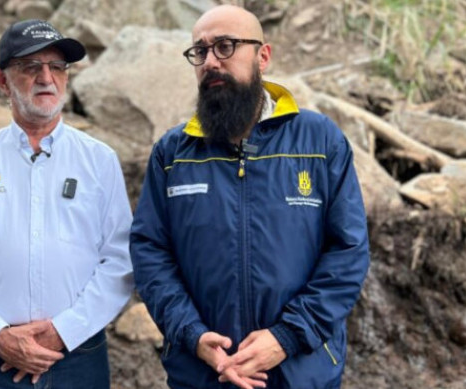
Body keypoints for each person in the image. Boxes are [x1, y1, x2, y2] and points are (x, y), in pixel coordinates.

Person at [130, 5, 370, 389]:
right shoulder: (173, 153)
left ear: (263, 56)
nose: (211, 61)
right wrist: (191, 334)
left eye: (225, 46)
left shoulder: (319, 141)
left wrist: (287, 336)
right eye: (200, 51)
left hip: (299, 373)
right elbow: (150, 252)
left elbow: (348, 250)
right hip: (204, 373)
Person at [0, 19, 133, 389]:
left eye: (56, 67)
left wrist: (62, 332)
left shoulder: (99, 160)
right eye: (31, 67)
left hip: (77, 357)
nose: (46, 78)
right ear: (2, 81)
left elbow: (120, 260)